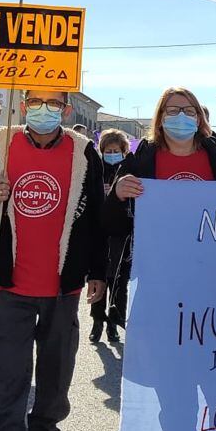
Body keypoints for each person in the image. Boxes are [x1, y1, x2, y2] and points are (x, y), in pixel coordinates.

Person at [104, 86, 216, 431]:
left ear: (200, 117)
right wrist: (117, 195)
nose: (181, 117)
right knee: (175, 387)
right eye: (172, 111)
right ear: (160, 117)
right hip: (164, 290)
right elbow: (114, 221)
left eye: (188, 110)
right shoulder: (144, 158)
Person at [0, 89, 108, 431]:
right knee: (10, 374)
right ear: (24, 105)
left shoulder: (83, 152)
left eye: (54, 104)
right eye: (37, 103)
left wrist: (98, 271)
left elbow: (95, 213)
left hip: (63, 284)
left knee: (57, 370)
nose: (46, 111)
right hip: (10, 283)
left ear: (66, 108)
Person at [89, 128, 130, 344]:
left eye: (116, 150)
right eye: (108, 150)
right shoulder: (96, 170)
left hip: (122, 236)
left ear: (124, 151)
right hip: (100, 235)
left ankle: (114, 322)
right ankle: (97, 321)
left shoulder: (128, 171)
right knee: (100, 279)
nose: (112, 154)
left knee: (118, 282)